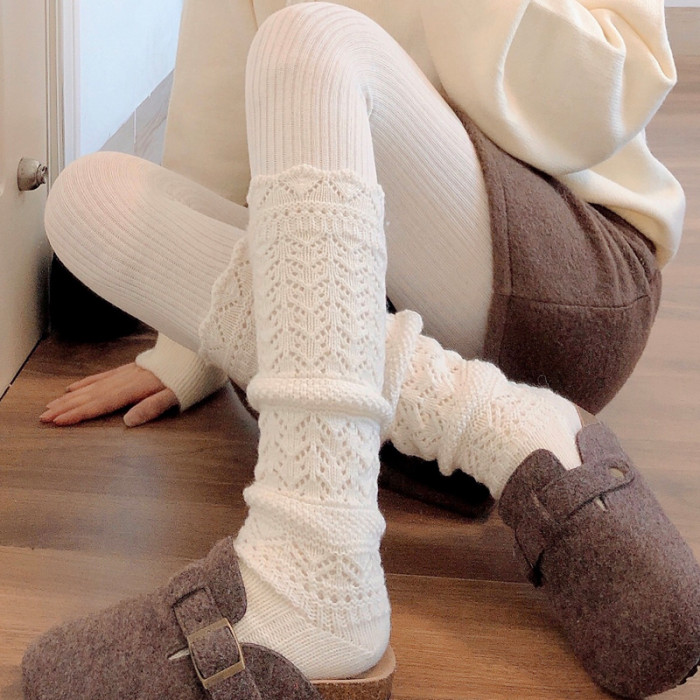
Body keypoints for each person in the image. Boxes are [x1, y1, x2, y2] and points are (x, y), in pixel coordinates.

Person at [22, 2, 700, 699]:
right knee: (85, 202)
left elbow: (602, 102)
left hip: (566, 272)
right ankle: (496, 424)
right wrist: (190, 346)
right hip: (360, 307)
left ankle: (316, 576)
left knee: (310, 39)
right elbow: (213, 120)